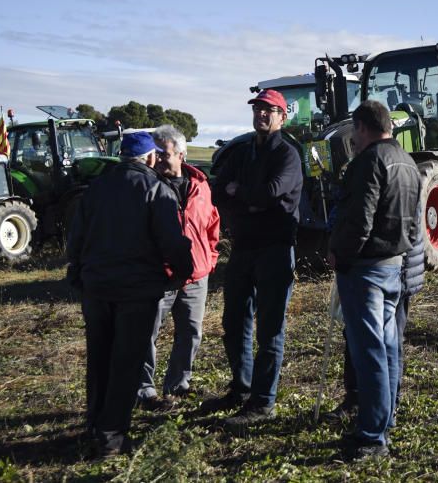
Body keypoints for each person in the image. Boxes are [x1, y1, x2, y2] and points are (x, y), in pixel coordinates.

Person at [66, 132, 193, 457]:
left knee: (99, 357)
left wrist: (79, 273)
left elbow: (76, 239)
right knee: (126, 362)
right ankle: (112, 437)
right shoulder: (154, 188)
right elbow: (170, 240)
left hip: (96, 289)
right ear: (150, 158)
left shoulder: (97, 188)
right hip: (136, 291)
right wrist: (183, 269)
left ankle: (95, 422)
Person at [328, 100, 422, 460]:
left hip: (365, 269)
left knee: (369, 351)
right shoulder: (407, 161)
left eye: (354, 131)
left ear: (361, 127)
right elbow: (413, 223)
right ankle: (385, 420)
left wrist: (341, 253)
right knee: (387, 346)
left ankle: (371, 434)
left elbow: (359, 219)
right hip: (393, 265)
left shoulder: (367, 162)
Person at [208, 89, 303, 431]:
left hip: (275, 250)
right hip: (244, 248)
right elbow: (218, 190)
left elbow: (272, 193)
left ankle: (263, 403)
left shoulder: (288, 154)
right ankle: (241, 388)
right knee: (234, 322)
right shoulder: (244, 151)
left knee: (270, 327)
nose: (262, 114)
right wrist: (244, 199)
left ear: (282, 117)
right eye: (258, 109)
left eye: (269, 110)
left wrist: (242, 194)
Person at [137, 125, 221, 410]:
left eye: (165, 153)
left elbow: (211, 224)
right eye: (156, 153)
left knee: (191, 331)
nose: (158, 159)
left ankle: (178, 384)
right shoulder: (148, 187)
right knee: (148, 332)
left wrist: (209, 259)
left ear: (182, 154)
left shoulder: (200, 186)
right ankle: (143, 389)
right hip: (160, 275)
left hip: (196, 275)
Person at [326, 203, 425, 426]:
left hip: (393, 267)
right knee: (357, 333)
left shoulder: (386, 173)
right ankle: (357, 399)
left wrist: (344, 248)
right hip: (382, 265)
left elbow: (366, 217)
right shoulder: (379, 172)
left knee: (389, 340)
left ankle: (388, 407)